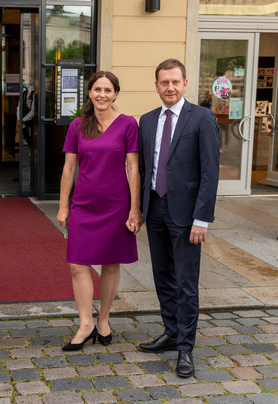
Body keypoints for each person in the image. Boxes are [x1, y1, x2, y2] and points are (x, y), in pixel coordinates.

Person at [138, 59, 219, 378]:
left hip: (187, 215)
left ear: (185, 84)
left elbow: (210, 173)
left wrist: (202, 218)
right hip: (155, 209)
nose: (169, 87)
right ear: (156, 85)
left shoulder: (201, 117)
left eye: (174, 82)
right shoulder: (146, 121)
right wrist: (139, 209)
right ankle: (171, 332)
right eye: (163, 82)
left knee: (186, 282)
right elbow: (145, 170)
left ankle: (185, 347)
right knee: (162, 276)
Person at [57, 71, 141, 352]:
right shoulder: (78, 126)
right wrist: (62, 205)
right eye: (97, 89)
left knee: (111, 263)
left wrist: (134, 208)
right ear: (89, 93)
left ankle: (103, 320)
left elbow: (133, 168)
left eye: (108, 90)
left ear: (115, 94)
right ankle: (85, 324)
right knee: (76, 263)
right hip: (84, 205)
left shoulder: (128, 124)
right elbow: (69, 168)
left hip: (117, 206)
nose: (102, 94)